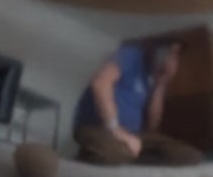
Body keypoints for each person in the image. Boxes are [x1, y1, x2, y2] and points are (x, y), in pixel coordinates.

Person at [72, 39, 201, 164]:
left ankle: (133, 155)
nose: (169, 59)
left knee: (188, 155)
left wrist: (161, 83)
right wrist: (115, 129)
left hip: (133, 134)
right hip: (99, 127)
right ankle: (92, 153)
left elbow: (153, 126)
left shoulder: (152, 76)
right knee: (119, 153)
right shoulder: (131, 54)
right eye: (168, 51)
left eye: (175, 55)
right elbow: (100, 83)